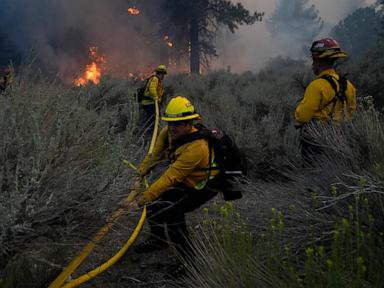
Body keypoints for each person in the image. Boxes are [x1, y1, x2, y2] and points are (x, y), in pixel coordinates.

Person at [134, 96, 220, 277]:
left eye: (178, 124)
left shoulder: (198, 147)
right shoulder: (167, 133)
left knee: (173, 213)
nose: (172, 128)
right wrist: (139, 174)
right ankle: (158, 240)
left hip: (203, 186)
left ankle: (189, 264)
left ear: (190, 123)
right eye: (170, 123)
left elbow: (170, 178)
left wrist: (140, 200)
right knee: (156, 202)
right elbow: (154, 157)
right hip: (184, 180)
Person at [294, 38, 357, 167]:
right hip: (341, 137)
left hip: (316, 141)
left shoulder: (317, 85)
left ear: (318, 61)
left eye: (314, 61)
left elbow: (302, 117)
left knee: (313, 176)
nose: (312, 65)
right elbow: (350, 113)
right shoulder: (349, 85)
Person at [139, 64, 167, 137]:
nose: (163, 76)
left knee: (153, 119)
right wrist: (156, 98)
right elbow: (152, 89)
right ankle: (149, 134)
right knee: (152, 119)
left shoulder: (157, 80)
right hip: (149, 103)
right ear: (159, 73)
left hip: (151, 103)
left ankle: (152, 132)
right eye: (162, 74)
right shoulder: (155, 79)